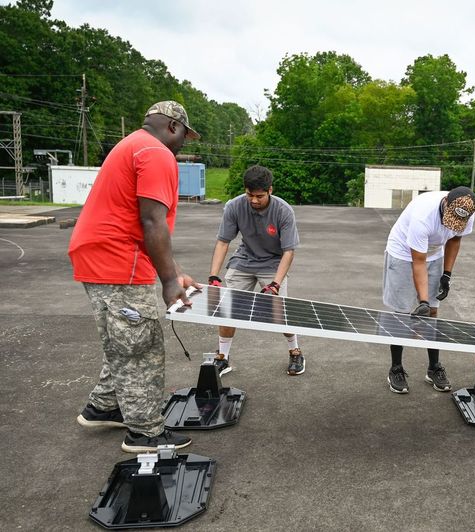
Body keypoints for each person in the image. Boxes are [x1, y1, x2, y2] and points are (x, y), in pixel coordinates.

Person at [70, 101, 201, 453]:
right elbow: (152, 221)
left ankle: (105, 406)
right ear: (173, 127)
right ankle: (144, 431)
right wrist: (169, 284)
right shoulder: (156, 153)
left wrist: (174, 274)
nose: (182, 144)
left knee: (122, 339)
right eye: (184, 137)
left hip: (101, 256)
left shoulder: (130, 145)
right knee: (140, 346)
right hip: (117, 260)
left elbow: (141, 221)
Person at [207, 165, 303, 376]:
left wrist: (275, 284)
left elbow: (288, 252)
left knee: (280, 312)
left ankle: (295, 351)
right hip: (245, 259)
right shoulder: (234, 206)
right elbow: (223, 242)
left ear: (270, 190)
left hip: (273, 263)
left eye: (259, 196)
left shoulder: (283, 211)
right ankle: (223, 357)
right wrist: (214, 275)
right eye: (250, 194)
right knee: (227, 309)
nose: (254, 200)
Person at [383, 186, 475, 394]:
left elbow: (454, 239)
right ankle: (396, 369)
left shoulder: (467, 212)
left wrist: (447, 274)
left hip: (434, 254)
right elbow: (418, 262)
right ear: (445, 203)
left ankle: (434, 368)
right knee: (402, 314)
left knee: (433, 314)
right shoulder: (423, 216)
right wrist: (423, 301)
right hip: (403, 253)